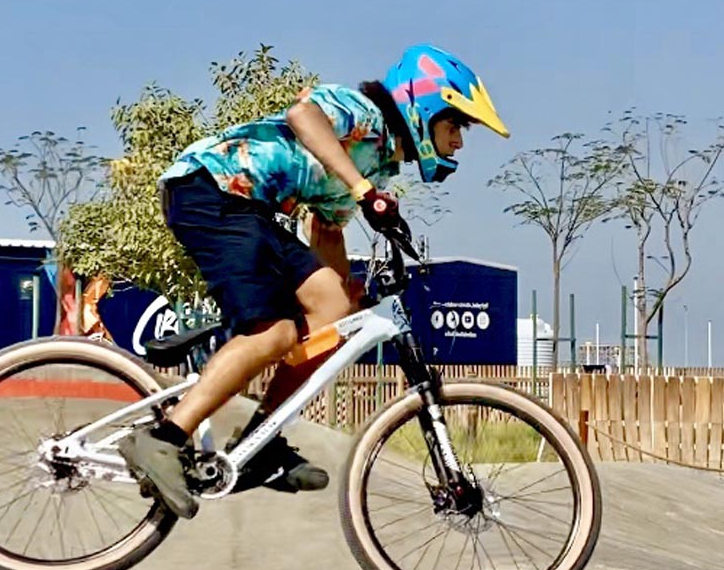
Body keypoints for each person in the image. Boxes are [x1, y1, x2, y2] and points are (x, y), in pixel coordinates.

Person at [118, 44, 510, 519]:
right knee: (274, 332)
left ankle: (261, 443)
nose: (459, 143)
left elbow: (327, 234)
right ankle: (162, 439)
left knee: (330, 313)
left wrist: (351, 299)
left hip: (253, 212)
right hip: (213, 190)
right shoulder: (362, 113)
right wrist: (365, 192)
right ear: (424, 110)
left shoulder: (378, 163)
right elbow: (303, 115)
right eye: (455, 127)